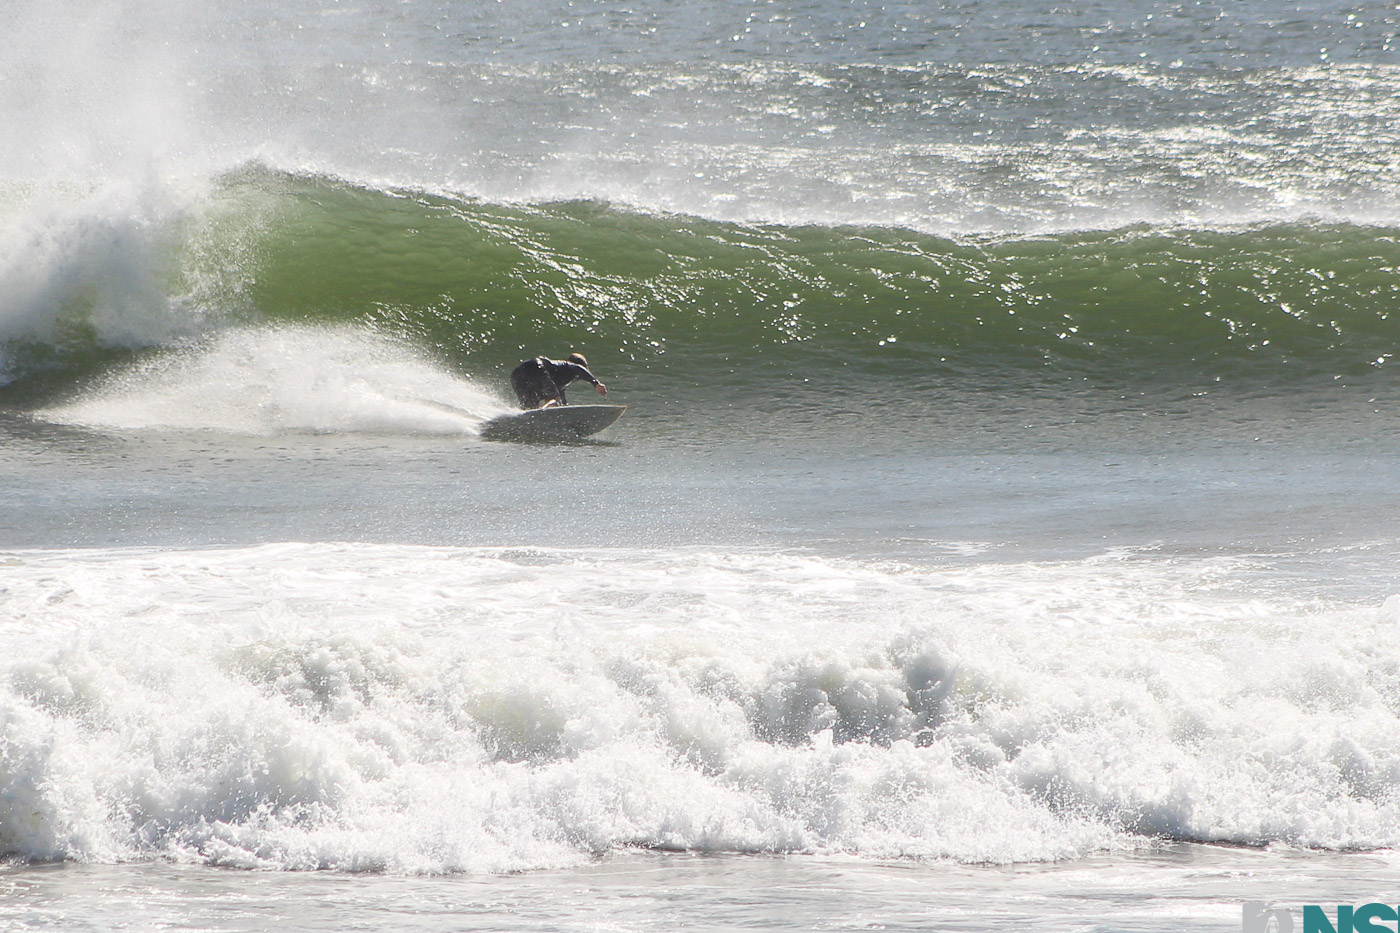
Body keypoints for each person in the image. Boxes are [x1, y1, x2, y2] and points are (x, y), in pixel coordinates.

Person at [509, 353, 608, 409]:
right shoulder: (571, 366)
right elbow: (578, 368)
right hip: (536, 366)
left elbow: (562, 407)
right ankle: (541, 412)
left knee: (530, 408)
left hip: (517, 374)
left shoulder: (559, 381)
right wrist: (596, 383)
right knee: (555, 401)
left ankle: (523, 421)